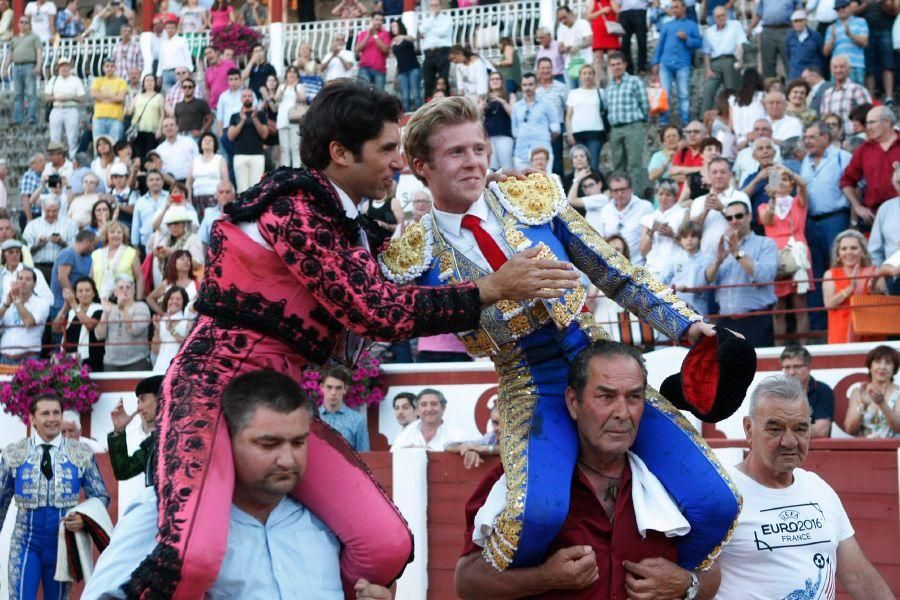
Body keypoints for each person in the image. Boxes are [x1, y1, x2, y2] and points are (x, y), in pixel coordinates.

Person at [124, 80, 580, 598]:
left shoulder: (351, 225)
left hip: (284, 401)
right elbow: (375, 311)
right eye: (387, 149)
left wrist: (491, 201)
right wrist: (489, 290)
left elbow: (424, 257)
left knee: (384, 545)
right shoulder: (293, 207)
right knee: (193, 557)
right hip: (211, 388)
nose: (398, 162)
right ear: (340, 153)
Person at [386, 96, 742, 574]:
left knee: (717, 504)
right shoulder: (412, 257)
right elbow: (387, 322)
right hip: (531, 385)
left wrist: (685, 325)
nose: (473, 162)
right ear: (420, 166)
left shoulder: (529, 196)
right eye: (456, 153)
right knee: (537, 516)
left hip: (600, 363)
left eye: (479, 148)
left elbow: (614, 271)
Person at [85, 370, 394, 600]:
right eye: (268, 443)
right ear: (227, 439)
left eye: (298, 442)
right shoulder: (165, 510)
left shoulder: (331, 519)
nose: (287, 459)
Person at [455, 342, 721, 599]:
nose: (622, 412)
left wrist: (687, 584)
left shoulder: (673, 481)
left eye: (634, 397)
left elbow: (711, 574)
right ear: (573, 402)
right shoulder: (523, 478)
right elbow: (467, 583)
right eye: (606, 396)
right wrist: (544, 578)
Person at [715, 375, 894, 599]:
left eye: (800, 429)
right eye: (775, 429)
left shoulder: (818, 489)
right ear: (749, 429)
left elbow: (859, 575)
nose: (790, 441)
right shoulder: (721, 494)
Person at [0, 393, 109, 600]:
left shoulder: (81, 453)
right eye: (45, 413)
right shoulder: (15, 453)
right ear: (32, 419)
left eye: (56, 413)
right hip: (25, 544)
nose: (52, 418)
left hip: (62, 545)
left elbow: (100, 496)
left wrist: (84, 519)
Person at [705, 198, 778, 347]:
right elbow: (707, 279)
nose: (734, 221)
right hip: (725, 321)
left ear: (749, 217)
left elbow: (764, 277)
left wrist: (737, 252)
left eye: (739, 216)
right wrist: (718, 260)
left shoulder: (766, 243)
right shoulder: (720, 246)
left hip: (755, 319)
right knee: (727, 369)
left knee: (760, 367)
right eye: (729, 217)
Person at [759, 166, 812, 343]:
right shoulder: (764, 205)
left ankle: (804, 347)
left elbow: (803, 184)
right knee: (778, 306)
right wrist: (772, 197)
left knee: (800, 304)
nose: (781, 182)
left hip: (798, 253)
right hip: (774, 254)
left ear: (791, 184)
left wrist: (785, 169)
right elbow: (767, 220)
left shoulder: (798, 201)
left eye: (785, 179)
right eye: (777, 179)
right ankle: (778, 347)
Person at [823, 229, 886, 344]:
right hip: (840, 334)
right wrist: (850, 288)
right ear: (838, 255)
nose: (848, 252)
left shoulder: (875, 272)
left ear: (863, 252)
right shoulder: (830, 274)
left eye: (854, 248)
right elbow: (829, 304)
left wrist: (872, 290)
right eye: (844, 249)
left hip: (871, 334)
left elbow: (883, 303)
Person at [839, 106, 900, 225]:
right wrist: (857, 206)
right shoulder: (863, 150)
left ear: (887, 122)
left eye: (872, 122)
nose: (868, 127)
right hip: (874, 217)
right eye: (867, 123)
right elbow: (846, 181)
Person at [605, 52, 649, 195]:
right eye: (613, 65)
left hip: (632, 126)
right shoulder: (609, 86)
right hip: (615, 129)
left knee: (634, 164)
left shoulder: (634, 81)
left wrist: (640, 121)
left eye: (618, 64)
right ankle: (620, 194)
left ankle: (636, 197)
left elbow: (645, 104)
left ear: (625, 65)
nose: (616, 67)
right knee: (618, 165)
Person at [651, 0, 701, 126]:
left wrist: (687, 39)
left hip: (683, 64)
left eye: (676, 7)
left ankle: (685, 121)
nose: (674, 10)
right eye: (672, 7)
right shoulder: (666, 25)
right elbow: (660, 45)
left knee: (684, 94)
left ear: (684, 8)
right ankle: (663, 121)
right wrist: (655, 63)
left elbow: (699, 43)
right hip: (665, 63)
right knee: (664, 94)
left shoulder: (692, 25)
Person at [108, 375, 163, 485]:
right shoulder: (153, 443)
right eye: (138, 402)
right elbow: (124, 471)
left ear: (160, 398)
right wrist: (119, 430)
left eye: (143, 399)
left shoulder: (186, 433)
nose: (138, 408)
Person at [589, 172, 654, 265]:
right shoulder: (605, 210)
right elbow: (602, 239)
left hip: (639, 265)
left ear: (631, 189)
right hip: (614, 266)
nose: (619, 194)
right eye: (615, 190)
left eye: (623, 189)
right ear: (610, 192)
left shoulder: (645, 207)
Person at [690, 157, 751, 256]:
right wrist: (705, 211)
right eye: (714, 172)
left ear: (730, 174)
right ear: (709, 175)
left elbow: (745, 227)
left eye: (723, 172)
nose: (718, 176)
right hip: (707, 256)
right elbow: (691, 231)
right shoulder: (698, 201)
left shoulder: (741, 196)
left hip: (737, 255)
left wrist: (723, 209)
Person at [95, 273, 151, 371]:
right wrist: (105, 315)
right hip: (110, 362)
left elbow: (135, 330)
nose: (124, 290)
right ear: (115, 292)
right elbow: (99, 335)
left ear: (133, 291)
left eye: (128, 287)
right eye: (121, 288)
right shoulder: (110, 309)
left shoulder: (142, 307)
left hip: (136, 361)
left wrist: (122, 308)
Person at [844, 345, 899, 439]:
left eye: (888, 362)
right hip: (864, 449)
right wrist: (863, 404)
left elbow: (898, 428)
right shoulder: (858, 392)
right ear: (870, 366)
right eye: (877, 361)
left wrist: (882, 404)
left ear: (894, 368)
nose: (882, 367)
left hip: (892, 449)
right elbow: (850, 429)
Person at [780, 344, 834, 437]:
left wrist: (786, 428)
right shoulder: (777, 393)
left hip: (816, 449)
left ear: (809, 368)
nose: (792, 372)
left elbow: (822, 431)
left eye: (796, 366)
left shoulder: (823, 391)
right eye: (787, 367)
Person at [52, 276, 104, 371]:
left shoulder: (99, 309)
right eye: (80, 291)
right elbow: (56, 328)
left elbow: (90, 326)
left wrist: (74, 304)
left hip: (90, 359)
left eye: (87, 290)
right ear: (76, 294)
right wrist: (65, 306)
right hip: (69, 358)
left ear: (93, 293)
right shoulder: (72, 311)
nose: (84, 294)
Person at [0, 268, 51, 364]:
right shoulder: (6, 302)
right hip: (4, 357)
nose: (23, 282)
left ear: (34, 284)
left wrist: (17, 302)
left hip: (29, 358)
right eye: (20, 278)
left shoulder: (42, 303)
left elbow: (29, 322)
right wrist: (6, 305)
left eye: (28, 279)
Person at [23, 196, 78, 284]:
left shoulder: (70, 224)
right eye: (48, 211)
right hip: (38, 267)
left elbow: (75, 250)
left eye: (54, 211)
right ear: (43, 209)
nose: (51, 214)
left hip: (62, 267)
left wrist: (62, 242)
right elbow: (25, 251)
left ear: (59, 209)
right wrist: (39, 245)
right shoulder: (32, 225)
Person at [701, 6, 746, 113]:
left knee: (731, 92)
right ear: (714, 18)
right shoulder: (709, 32)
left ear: (726, 15)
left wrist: (739, 61)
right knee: (708, 90)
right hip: (715, 63)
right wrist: (708, 70)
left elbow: (740, 45)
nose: (721, 18)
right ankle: (703, 119)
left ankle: (733, 117)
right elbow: (706, 53)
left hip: (730, 60)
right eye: (718, 16)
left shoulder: (735, 25)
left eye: (723, 15)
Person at [640, 178, 687, 278]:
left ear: (675, 197)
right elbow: (643, 252)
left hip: (676, 268)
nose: (663, 198)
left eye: (668, 195)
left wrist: (672, 235)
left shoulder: (683, 213)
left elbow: (689, 245)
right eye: (661, 194)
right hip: (653, 269)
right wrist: (650, 235)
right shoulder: (648, 218)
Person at [391, 388, 465, 451]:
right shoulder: (405, 435)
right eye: (423, 405)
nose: (429, 409)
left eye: (433, 404)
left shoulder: (458, 435)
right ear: (417, 410)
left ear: (443, 408)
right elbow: (391, 460)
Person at [511, 73, 558, 170]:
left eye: (530, 84)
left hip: (542, 153)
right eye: (525, 85)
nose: (527, 88)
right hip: (521, 153)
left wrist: (544, 139)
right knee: (522, 184)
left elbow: (556, 129)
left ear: (536, 85)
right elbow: (514, 131)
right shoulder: (517, 106)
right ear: (521, 86)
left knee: (545, 184)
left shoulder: (547, 104)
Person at [318, 366, 370, 452]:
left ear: (345, 389)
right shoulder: (311, 418)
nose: (333, 392)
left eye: (338, 388)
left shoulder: (357, 420)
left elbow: (365, 457)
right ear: (322, 387)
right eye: (329, 387)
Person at [3, 15, 42, 127]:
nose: (23, 24)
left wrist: (38, 65)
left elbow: (39, 52)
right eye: (21, 22)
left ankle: (31, 117)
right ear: (18, 24)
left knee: (31, 93)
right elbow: (10, 54)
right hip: (16, 67)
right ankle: (18, 119)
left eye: (26, 22)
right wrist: (5, 68)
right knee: (18, 94)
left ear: (29, 25)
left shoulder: (34, 37)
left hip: (29, 65)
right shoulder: (14, 39)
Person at [228, 88, 269, 194]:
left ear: (253, 98)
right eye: (244, 96)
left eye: (249, 96)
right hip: (240, 156)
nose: (247, 98)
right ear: (241, 99)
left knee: (256, 190)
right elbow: (231, 136)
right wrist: (242, 121)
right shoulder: (235, 116)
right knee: (242, 191)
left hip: (257, 155)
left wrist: (254, 119)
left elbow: (265, 134)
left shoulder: (260, 115)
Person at [819, 55, 872, 138]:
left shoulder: (857, 90)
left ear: (849, 69)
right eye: (835, 67)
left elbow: (869, 116)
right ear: (831, 70)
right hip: (832, 142)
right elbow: (823, 120)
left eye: (842, 67)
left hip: (854, 140)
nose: (838, 70)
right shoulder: (826, 94)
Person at [565, 64, 604, 173]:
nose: (587, 76)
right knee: (578, 165)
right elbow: (568, 115)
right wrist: (569, 133)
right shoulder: (573, 93)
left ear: (593, 75)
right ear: (580, 76)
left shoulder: (600, 92)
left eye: (590, 73)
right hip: (577, 133)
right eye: (584, 73)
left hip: (596, 132)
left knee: (594, 164)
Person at [45, 56, 85, 161]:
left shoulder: (76, 80)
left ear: (69, 67)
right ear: (58, 68)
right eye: (62, 66)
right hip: (57, 108)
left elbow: (81, 98)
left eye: (66, 66)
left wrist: (70, 97)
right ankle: (56, 158)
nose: (64, 68)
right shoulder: (54, 80)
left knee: (72, 137)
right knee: (55, 137)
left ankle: (72, 158)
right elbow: (47, 97)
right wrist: (57, 98)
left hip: (71, 108)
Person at [91, 221, 143, 300]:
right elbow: (91, 278)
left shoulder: (131, 253)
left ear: (123, 235)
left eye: (119, 232)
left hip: (124, 299)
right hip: (99, 299)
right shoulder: (96, 254)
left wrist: (139, 301)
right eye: (112, 232)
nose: (116, 235)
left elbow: (140, 279)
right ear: (106, 235)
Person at [822, 0, 868, 86]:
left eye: (843, 7)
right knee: (837, 97)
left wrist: (850, 35)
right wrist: (833, 39)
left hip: (855, 65)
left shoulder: (861, 22)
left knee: (856, 96)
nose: (841, 10)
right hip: (837, 68)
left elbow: (864, 42)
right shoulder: (831, 27)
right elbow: (825, 52)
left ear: (849, 7)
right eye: (838, 8)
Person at [186, 132, 227, 218]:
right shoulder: (194, 160)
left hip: (215, 199)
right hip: (196, 198)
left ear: (214, 144)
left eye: (210, 140)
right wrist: (189, 200)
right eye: (205, 140)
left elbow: (225, 181)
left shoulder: (219, 159)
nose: (207, 142)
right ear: (200, 144)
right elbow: (189, 183)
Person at [151, 286, 191, 371]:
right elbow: (155, 350)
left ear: (184, 302)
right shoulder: (161, 320)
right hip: (159, 368)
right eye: (171, 298)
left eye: (178, 299)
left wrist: (172, 330)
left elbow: (188, 346)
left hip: (177, 370)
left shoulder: (187, 321)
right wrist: (157, 330)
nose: (174, 301)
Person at [420, 0, 452, 100]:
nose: (434, 7)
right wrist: (432, 19)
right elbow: (422, 30)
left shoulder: (447, 18)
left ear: (440, 6)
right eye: (432, 5)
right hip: (429, 53)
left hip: (443, 51)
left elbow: (443, 31)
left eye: (436, 5)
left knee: (443, 79)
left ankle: (447, 102)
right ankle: (428, 104)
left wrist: (429, 33)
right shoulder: (427, 19)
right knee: (428, 80)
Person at [555, 5, 594, 89]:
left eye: (564, 17)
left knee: (585, 92)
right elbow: (560, 49)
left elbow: (590, 40)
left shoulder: (583, 23)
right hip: (569, 67)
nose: (563, 21)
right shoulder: (560, 29)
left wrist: (578, 47)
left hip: (584, 65)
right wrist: (566, 49)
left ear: (571, 13)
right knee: (571, 95)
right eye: (560, 19)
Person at [482, 72, 514, 171]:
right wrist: (482, 107)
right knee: (491, 167)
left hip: (505, 135)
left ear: (501, 81)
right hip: (488, 137)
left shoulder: (509, 95)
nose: (495, 81)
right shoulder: (484, 97)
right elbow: (476, 116)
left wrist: (502, 101)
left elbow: (513, 114)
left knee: (506, 166)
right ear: (489, 82)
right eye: (492, 79)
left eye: (497, 79)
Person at [91, 58, 128, 143]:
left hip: (115, 118)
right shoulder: (97, 80)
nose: (109, 68)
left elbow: (120, 98)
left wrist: (102, 97)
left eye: (112, 66)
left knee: (115, 145)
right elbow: (94, 95)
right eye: (107, 66)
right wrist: (113, 96)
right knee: (98, 145)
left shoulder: (121, 81)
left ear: (115, 68)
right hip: (98, 118)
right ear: (103, 68)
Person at [156, 117, 199, 183]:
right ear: (163, 130)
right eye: (166, 126)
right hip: (169, 184)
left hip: (190, 182)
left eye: (171, 125)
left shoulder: (189, 142)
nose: (169, 128)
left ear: (177, 127)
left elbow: (198, 161)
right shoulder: (159, 149)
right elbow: (159, 170)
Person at [785, 10, 824, 81]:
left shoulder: (815, 36)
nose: (798, 24)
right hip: (795, 74)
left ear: (806, 21)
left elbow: (822, 54)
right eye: (795, 21)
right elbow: (788, 54)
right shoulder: (790, 37)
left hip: (812, 74)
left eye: (800, 21)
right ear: (792, 23)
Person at [356, 12, 390, 91]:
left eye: (381, 20)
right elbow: (357, 49)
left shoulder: (386, 34)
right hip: (364, 68)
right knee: (363, 94)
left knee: (379, 97)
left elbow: (385, 50)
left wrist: (375, 35)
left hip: (380, 70)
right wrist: (368, 35)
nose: (379, 22)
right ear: (372, 20)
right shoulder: (363, 33)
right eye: (376, 19)